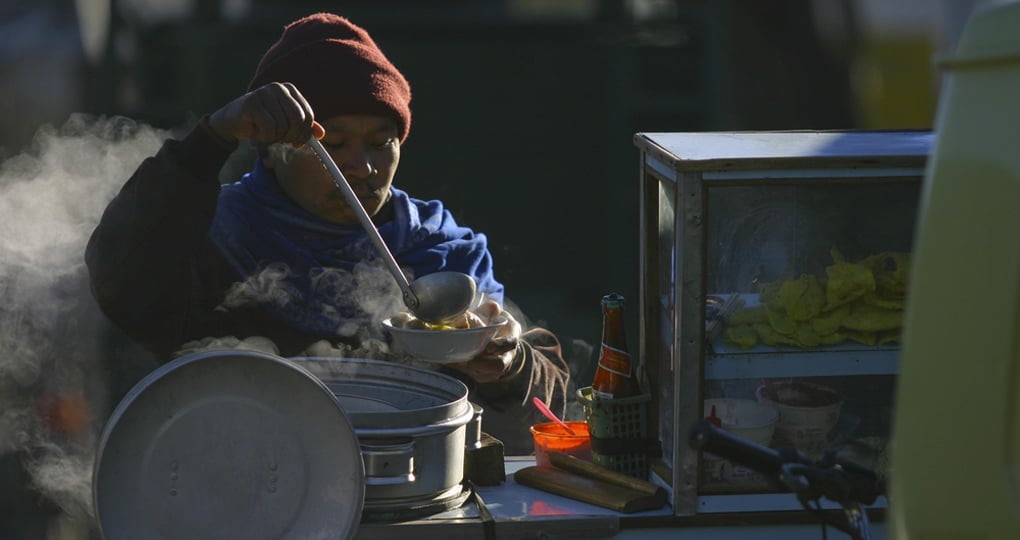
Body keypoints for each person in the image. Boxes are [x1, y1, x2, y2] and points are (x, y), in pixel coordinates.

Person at [85, 12, 570, 451]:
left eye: (382, 143)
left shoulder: (438, 251)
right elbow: (123, 285)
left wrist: (511, 366)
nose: (361, 167)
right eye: (332, 144)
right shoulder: (210, 238)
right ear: (273, 149)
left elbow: (535, 420)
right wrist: (208, 141)